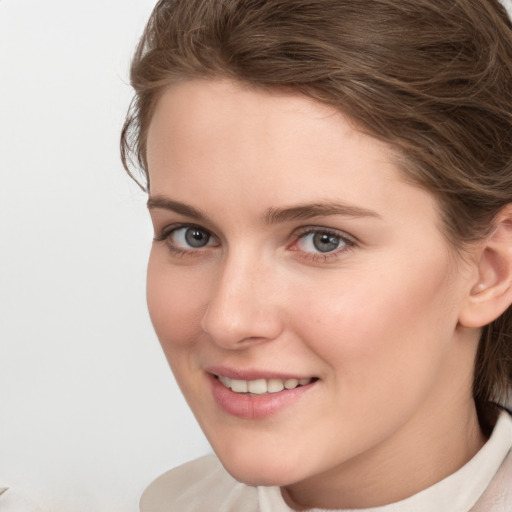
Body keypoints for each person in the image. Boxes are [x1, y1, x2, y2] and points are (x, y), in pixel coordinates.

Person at [121, 0, 512, 510]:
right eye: (192, 235)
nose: (227, 320)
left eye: (321, 240)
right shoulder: (172, 501)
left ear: (489, 271)